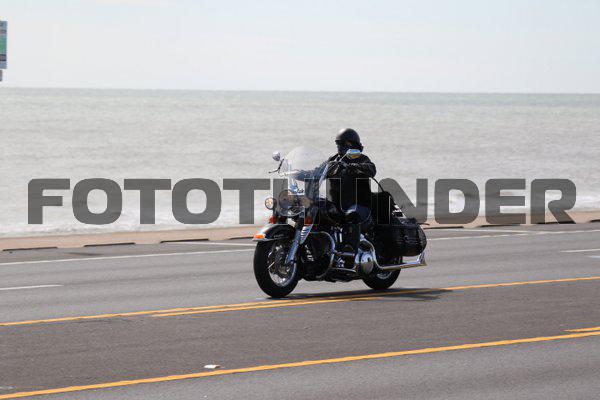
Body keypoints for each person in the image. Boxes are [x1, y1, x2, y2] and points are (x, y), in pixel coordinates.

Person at [326, 128, 376, 266]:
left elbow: (371, 169)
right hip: (337, 205)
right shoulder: (333, 160)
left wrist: (355, 166)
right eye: (338, 144)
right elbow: (320, 170)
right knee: (317, 209)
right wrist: (302, 173)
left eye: (344, 144)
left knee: (352, 214)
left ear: (353, 145)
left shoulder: (361, 158)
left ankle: (350, 253)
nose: (340, 147)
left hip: (359, 205)